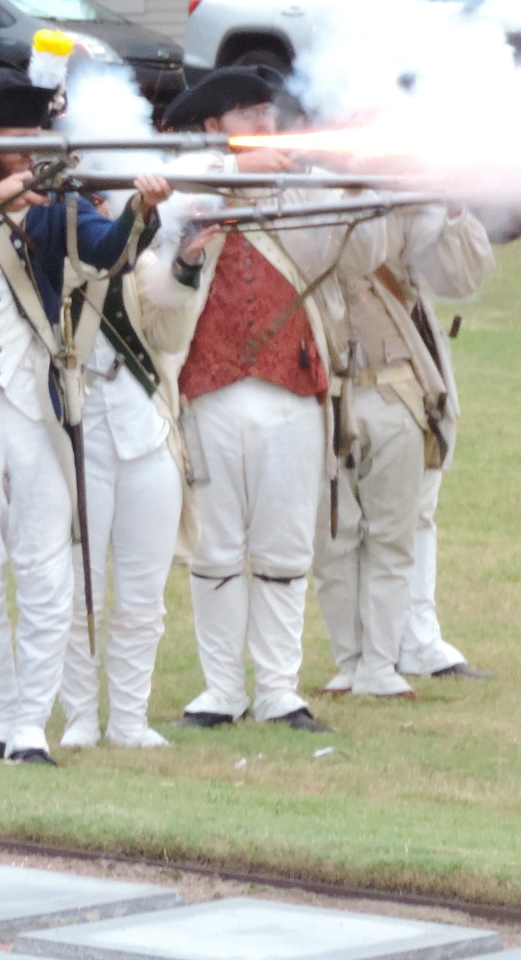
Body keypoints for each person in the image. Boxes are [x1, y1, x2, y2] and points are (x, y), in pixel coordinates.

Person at [0, 61, 170, 766]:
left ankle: (31, 721)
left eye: (35, 127)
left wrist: (142, 211)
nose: (31, 140)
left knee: (47, 570)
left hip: (37, 412)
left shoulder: (56, 200)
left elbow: (105, 251)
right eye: (14, 128)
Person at [134, 67, 386, 733]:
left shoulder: (302, 184)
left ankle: (278, 688)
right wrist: (230, 175)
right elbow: (157, 272)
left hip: (292, 388)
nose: (267, 125)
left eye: (269, 112)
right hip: (207, 391)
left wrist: (354, 177)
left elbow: (361, 254)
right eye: (250, 114)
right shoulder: (185, 181)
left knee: (283, 550)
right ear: (215, 126)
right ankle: (221, 688)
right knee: (216, 550)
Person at [318, 201, 494, 699]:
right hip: (326, 381)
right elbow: (346, 255)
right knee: (335, 536)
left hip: (399, 382)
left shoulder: (412, 204)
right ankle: (354, 659)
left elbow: (460, 277)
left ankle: (398, 649)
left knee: (403, 526)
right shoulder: (313, 192)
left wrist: (452, 209)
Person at [55, 174, 189, 752]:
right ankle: (81, 716)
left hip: (144, 426)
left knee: (142, 592)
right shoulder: (51, 240)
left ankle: (130, 718)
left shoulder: (145, 250)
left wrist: (187, 266)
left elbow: (170, 331)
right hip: (79, 427)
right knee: (77, 584)